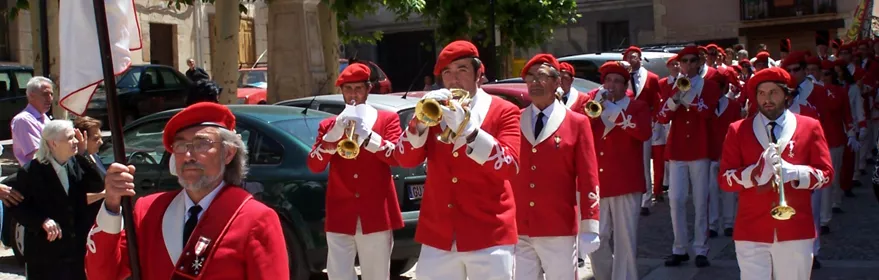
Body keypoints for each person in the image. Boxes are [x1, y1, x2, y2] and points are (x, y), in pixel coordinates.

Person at [85, 102, 289, 279]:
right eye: (181, 145)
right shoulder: (149, 211)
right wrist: (112, 204)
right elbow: (103, 274)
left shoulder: (256, 219)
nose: (189, 155)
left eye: (202, 144)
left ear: (228, 153)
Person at [392, 40, 521, 279]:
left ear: (478, 74)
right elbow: (404, 159)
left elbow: (510, 167)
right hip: (438, 234)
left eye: (462, 70)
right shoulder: (433, 111)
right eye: (447, 73)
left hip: (489, 234)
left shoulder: (504, 111)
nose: (454, 79)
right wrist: (418, 122)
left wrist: (470, 130)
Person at [718, 67, 832, 279]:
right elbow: (725, 180)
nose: (767, 99)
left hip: (795, 230)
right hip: (751, 229)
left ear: (787, 95)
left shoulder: (810, 126)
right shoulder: (737, 129)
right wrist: (754, 174)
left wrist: (796, 173)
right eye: (761, 93)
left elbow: (826, 174)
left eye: (773, 92)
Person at [306, 63, 404, 280]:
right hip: (341, 212)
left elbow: (396, 157)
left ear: (368, 89)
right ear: (341, 91)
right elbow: (314, 165)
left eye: (358, 89)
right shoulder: (329, 124)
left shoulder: (387, 119)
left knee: (376, 275)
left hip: (376, 212)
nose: (353, 94)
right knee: (338, 275)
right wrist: (333, 136)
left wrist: (369, 137)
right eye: (348, 89)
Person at [511, 54, 600, 280]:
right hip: (520, 225)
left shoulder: (576, 123)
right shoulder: (516, 120)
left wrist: (590, 224)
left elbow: (588, 176)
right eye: (529, 77)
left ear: (557, 82)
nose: (534, 83)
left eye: (541, 77)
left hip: (558, 227)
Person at [7, 120, 104, 279]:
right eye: (70, 138)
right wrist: (41, 221)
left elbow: (98, 186)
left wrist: (84, 154)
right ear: (53, 143)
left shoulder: (76, 163)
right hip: (47, 255)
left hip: (76, 251)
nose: (76, 141)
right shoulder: (31, 171)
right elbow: (17, 206)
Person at [586, 61, 652, 280]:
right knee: (597, 237)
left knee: (625, 239)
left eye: (616, 81)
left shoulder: (637, 107)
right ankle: (604, 276)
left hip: (626, 182)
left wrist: (615, 113)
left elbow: (643, 133)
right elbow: (580, 130)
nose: (611, 85)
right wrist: (593, 107)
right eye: (607, 80)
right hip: (599, 182)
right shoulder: (592, 104)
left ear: (625, 86)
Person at [656, 45, 720, 268]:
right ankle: (679, 247)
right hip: (678, 149)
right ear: (680, 64)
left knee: (701, 200)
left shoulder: (710, 86)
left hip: (700, 148)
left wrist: (689, 96)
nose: (689, 65)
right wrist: (675, 98)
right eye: (685, 61)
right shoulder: (669, 85)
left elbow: (707, 112)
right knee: (676, 199)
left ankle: (701, 248)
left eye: (694, 61)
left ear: (700, 63)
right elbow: (662, 117)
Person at [621, 46, 662, 216]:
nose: (633, 59)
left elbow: (657, 101)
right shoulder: (622, 78)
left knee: (645, 162)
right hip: (624, 124)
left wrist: (653, 120)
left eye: (635, 56)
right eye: (630, 56)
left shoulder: (651, 78)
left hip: (644, 123)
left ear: (640, 58)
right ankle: (629, 196)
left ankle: (646, 199)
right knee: (628, 161)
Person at [707, 68, 742, 238]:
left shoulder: (734, 106)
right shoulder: (705, 106)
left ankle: (729, 222)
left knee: (729, 190)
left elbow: (738, 131)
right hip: (710, 153)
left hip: (728, 154)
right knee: (711, 189)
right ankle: (712, 224)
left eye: (719, 87)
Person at [651, 57, 680, 202]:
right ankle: (660, 187)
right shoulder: (662, 83)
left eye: (677, 64)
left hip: (678, 121)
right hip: (663, 122)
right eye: (672, 64)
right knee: (661, 157)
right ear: (668, 67)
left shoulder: (684, 82)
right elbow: (657, 102)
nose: (675, 66)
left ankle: (672, 185)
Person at [12, 76, 54, 166]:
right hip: (37, 175)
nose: (50, 98)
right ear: (31, 96)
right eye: (45, 94)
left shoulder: (44, 118)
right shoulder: (23, 120)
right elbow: (38, 154)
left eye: (51, 94)